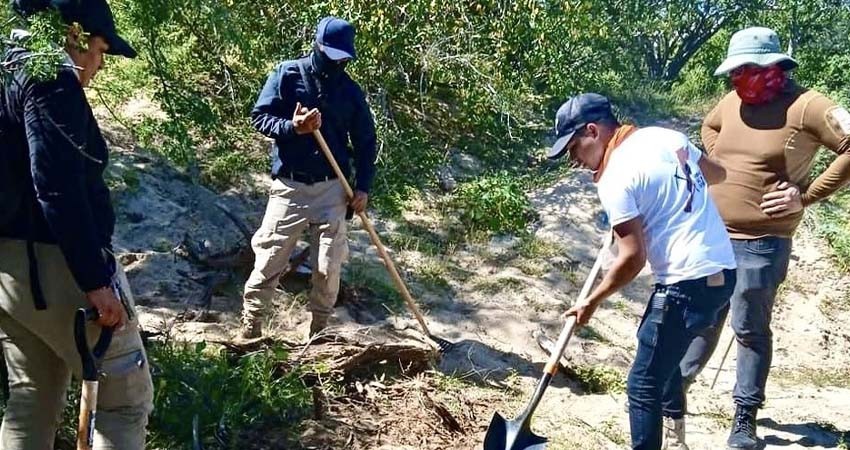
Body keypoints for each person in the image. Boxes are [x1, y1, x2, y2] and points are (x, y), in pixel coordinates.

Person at [660, 27, 850, 450]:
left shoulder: (809, 106)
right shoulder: (733, 101)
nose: (735, 79)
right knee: (701, 319)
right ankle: (673, 397)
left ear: (771, 67)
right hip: (713, 236)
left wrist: (805, 195)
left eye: (743, 71)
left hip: (762, 241)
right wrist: (719, 161)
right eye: (733, 72)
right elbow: (710, 125)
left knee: (748, 327)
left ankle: (744, 417)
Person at [0, 0, 153, 448]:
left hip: (9, 273)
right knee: (124, 403)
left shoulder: (7, 65)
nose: (100, 65)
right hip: (55, 266)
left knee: (32, 397)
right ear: (75, 34)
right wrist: (95, 280)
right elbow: (57, 186)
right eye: (101, 50)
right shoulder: (50, 77)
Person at [549, 93, 737, 450]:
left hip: (685, 283)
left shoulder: (615, 177)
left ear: (593, 131)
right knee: (662, 357)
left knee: (642, 385)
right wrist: (660, 201)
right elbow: (717, 174)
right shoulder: (666, 137)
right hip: (723, 274)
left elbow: (633, 258)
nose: (573, 159)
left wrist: (592, 300)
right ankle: (676, 437)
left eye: (573, 147)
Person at [240, 16, 377, 339]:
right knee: (269, 260)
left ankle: (318, 333)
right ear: (317, 46)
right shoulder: (287, 74)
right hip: (290, 187)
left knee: (328, 269)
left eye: (343, 58)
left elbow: (365, 142)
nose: (337, 63)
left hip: (333, 190)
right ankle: (250, 328)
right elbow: (260, 118)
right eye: (332, 56)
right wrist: (293, 127)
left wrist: (363, 186)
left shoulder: (350, 92)